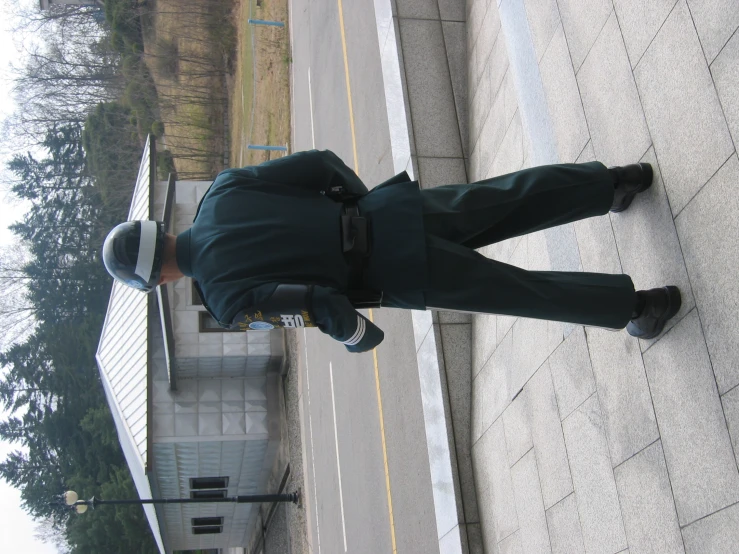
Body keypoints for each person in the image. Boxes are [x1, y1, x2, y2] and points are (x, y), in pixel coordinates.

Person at [102, 150, 681, 353]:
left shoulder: (225, 303)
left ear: (154, 280)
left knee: (521, 292)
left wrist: (359, 338)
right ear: (159, 228)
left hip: (396, 271)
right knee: (509, 196)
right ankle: (615, 181)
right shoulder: (223, 192)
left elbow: (317, 305)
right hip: (390, 212)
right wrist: (362, 210)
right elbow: (320, 164)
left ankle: (641, 305)